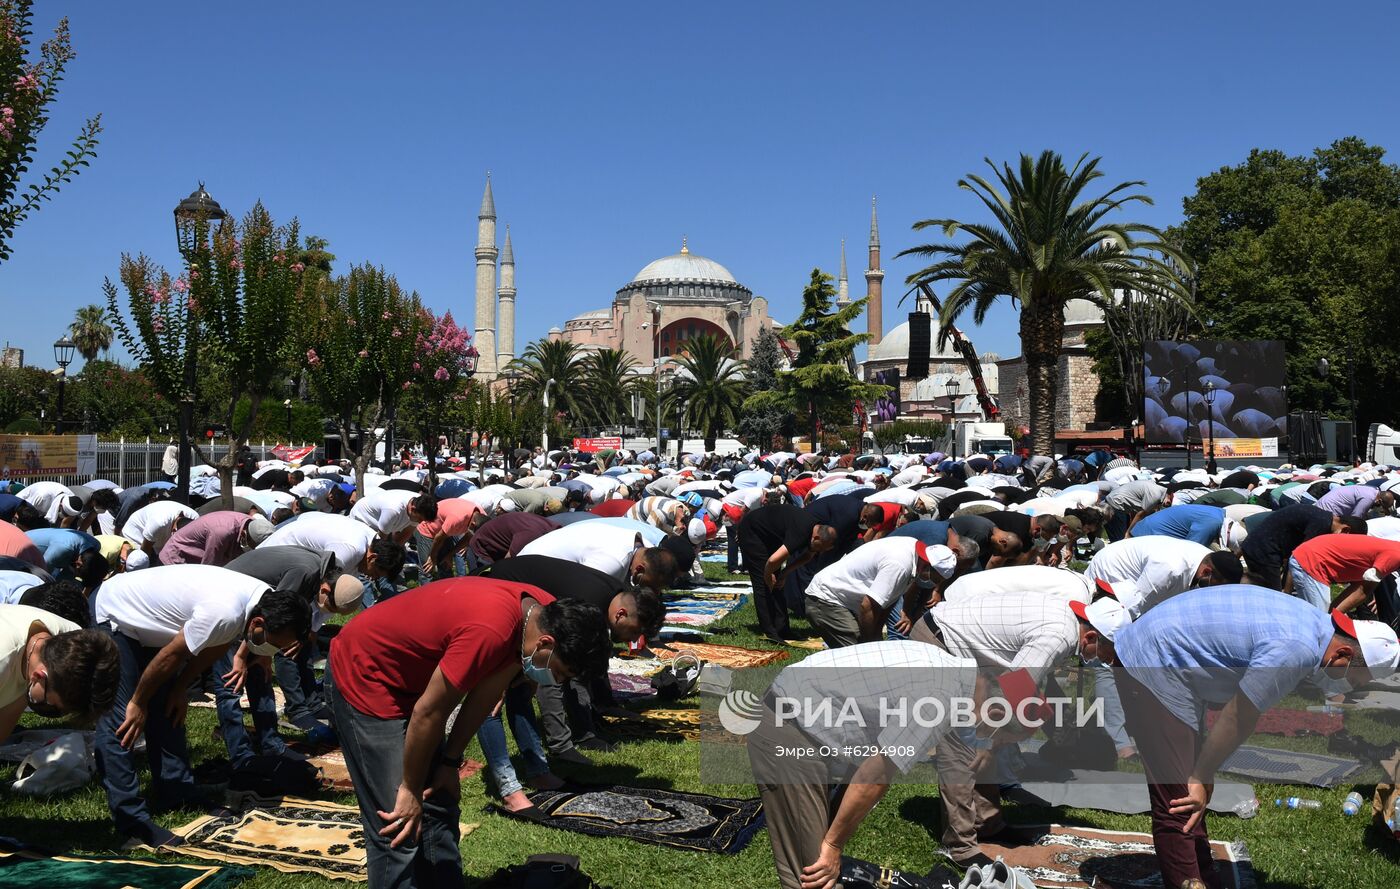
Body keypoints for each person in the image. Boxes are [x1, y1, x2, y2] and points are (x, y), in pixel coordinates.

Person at [325, 578, 611, 888]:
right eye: (558, 672)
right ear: (545, 643)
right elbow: (429, 712)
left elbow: (484, 697)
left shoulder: (543, 611)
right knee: (398, 820)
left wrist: (449, 763)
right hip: (366, 674)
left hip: (415, 682)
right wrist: (408, 786)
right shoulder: (491, 630)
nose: (552, 681)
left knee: (438, 799)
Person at [1109, 588, 1399, 889]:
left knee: (1189, 787)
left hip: (1168, 658)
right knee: (1178, 798)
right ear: (1342, 654)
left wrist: (1201, 773)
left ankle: (1203, 877)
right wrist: (1202, 772)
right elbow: (1238, 715)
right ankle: (1186, 879)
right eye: (1353, 679)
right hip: (1150, 661)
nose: (1348, 687)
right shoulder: (1295, 649)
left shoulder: (1316, 626)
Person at [92, 564, 311, 846]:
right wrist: (137, 701)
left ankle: (177, 790)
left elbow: (216, 646)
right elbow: (173, 654)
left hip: (151, 626)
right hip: (116, 614)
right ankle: (132, 820)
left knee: (168, 706)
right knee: (122, 718)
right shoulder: (226, 611)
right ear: (258, 624)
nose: (271, 651)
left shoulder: (259, 601)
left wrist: (180, 688)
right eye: (273, 644)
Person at [747, 641, 978, 889]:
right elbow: (874, 776)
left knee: (820, 854)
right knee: (814, 875)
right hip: (790, 726)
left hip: (803, 709)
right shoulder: (941, 700)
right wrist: (834, 844)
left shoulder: (950, 667)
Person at [908, 587, 1103, 869]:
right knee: (964, 744)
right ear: (1091, 636)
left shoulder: (1068, 625)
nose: (1104, 660)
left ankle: (988, 823)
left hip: (963, 646)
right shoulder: (1060, 635)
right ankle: (960, 845)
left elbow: (1025, 685)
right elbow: (1014, 683)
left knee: (988, 739)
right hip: (940, 642)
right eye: (1105, 652)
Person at [225, 545, 363, 734]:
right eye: (331, 608)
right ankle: (296, 711)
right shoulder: (303, 574)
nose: (328, 613)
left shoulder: (330, 573)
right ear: (324, 589)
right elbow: (268, 615)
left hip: (257, 603)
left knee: (299, 640)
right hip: (232, 598)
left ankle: (311, 704)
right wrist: (245, 655)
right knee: (272, 655)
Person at [803, 539, 958, 649]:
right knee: (860, 655)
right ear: (928, 565)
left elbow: (887, 602)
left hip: (840, 600)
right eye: (934, 578)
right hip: (825, 599)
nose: (932, 583)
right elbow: (867, 606)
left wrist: (876, 634)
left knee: (870, 651)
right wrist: (869, 641)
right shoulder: (900, 565)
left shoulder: (913, 558)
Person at [0, 603, 118, 742]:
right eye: (50, 704)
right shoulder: (4, 658)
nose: (50, 710)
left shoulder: (74, 643)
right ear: (38, 675)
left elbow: (10, 714)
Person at [736, 504, 838, 643]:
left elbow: (808, 556)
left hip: (769, 536)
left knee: (777, 584)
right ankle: (770, 631)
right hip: (752, 532)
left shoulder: (815, 530)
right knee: (763, 584)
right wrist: (768, 575)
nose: (819, 552)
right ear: (817, 538)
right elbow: (772, 561)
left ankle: (783, 629)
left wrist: (784, 574)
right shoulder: (802, 532)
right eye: (820, 548)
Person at [516, 521, 677, 590]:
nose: (644, 589)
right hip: (530, 569)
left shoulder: (646, 549)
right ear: (639, 569)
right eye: (643, 583)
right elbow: (582, 597)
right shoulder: (612, 561)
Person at [1239, 504, 1362, 589]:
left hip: (1259, 547)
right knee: (1273, 595)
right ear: (1346, 530)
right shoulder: (1322, 524)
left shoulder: (1321, 516)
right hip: (1263, 551)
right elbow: (1299, 559)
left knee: (1261, 589)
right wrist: (1286, 591)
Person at [1288, 533, 1400, 613]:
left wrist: (1333, 613)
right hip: (1313, 560)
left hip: (1312, 555)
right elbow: (1362, 591)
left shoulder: (1395, 549)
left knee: (1320, 619)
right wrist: (1332, 617)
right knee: (1318, 620)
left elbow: (1358, 588)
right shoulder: (1396, 556)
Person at [157, 511, 275, 567]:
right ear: (244, 534)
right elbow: (209, 568)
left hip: (196, 559)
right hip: (176, 557)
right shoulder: (222, 532)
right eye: (252, 545)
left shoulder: (252, 524)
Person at [1127, 503, 1226, 547]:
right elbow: (1191, 550)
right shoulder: (1212, 523)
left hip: (1147, 528)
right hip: (1150, 534)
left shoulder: (1217, 514)